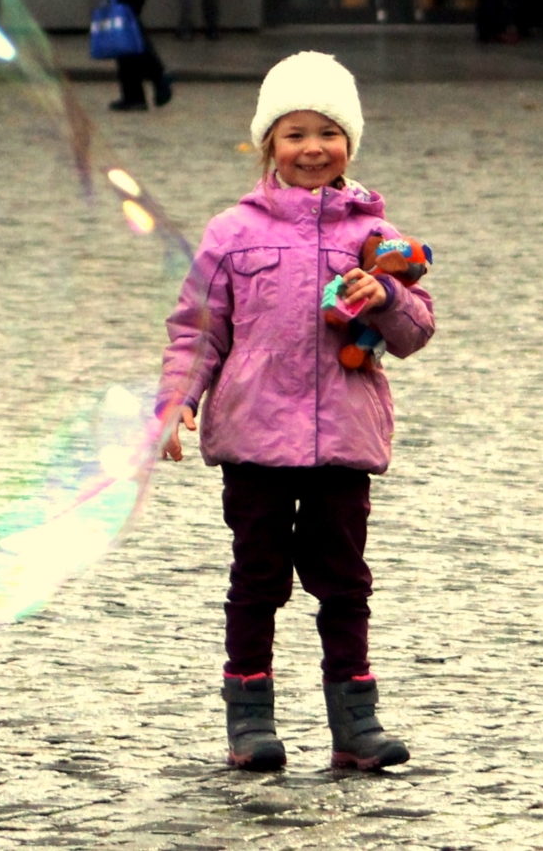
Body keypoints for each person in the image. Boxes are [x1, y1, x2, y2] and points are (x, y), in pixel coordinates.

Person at [157, 52, 435, 772]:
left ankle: (356, 724)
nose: (313, 148)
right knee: (257, 580)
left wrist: (391, 299)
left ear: (351, 141)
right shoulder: (233, 232)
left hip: (344, 440)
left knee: (345, 582)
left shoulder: (378, 237)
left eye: (328, 133)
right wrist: (178, 402)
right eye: (294, 134)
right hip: (253, 439)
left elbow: (415, 334)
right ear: (268, 145)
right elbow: (199, 327)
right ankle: (249, 720)